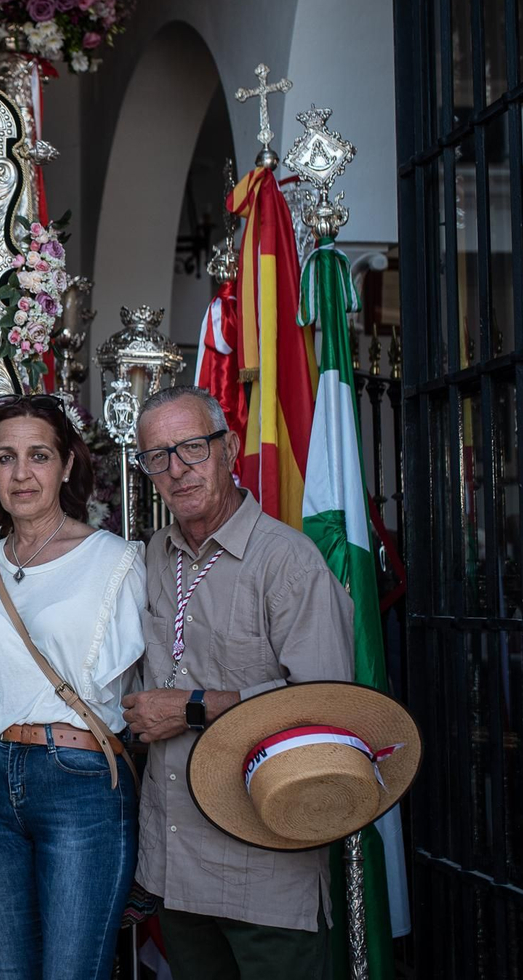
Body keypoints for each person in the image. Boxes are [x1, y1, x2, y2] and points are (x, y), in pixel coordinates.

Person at [120, 384, 355, 978]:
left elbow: (328, 709)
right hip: (176, 863)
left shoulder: (288, 562)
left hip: (265, 868)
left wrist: (193, 708)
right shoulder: (151, 557)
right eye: (157, 456)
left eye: (192, 448)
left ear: (228, 449)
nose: (177, 469)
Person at [0, 392, 146, 980]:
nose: (21, 473)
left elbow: (143, 690)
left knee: (73, 970)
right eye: (6, 458)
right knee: (9, 971)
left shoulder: (116, 562)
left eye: (39, 456)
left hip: (79, 781)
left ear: (67, 464)